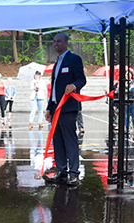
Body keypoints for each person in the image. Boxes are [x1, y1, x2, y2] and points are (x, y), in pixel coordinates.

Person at [45, 33, 86, 186]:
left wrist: (74, 86)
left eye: (58, 41)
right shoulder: (56, 63)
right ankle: (62, 171)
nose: (55, 44)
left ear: (66, 43)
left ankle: (74, 173)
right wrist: (49, 108)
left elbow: (82, 79)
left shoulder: (74, 59)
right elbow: (54, 88)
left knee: (70, 141)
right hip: (56, 108)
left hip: (68, 108)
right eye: (54, 41)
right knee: (58, 141)